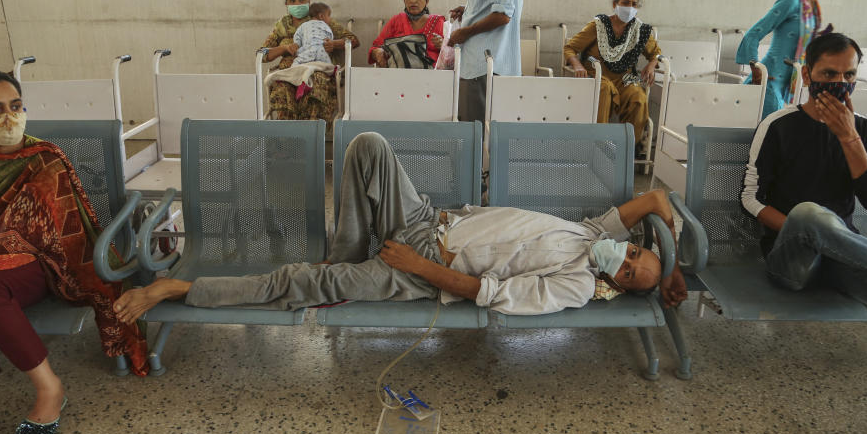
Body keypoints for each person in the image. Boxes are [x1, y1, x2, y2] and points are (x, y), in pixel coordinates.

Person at [113, 132, 688, 324]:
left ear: (619, 288)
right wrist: (673, 265)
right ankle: (343, 253)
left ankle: (183, 290)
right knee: (369, 147)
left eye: (634, 275)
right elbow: (653, 198)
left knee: (315, 286)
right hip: (426, 221)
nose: (630, 261)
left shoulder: (578, 284)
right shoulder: (593, 236)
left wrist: (420, 268)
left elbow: (495, 296)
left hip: (423, 275)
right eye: (638, 255)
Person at [740, 33, 867, 434]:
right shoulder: (778, 124)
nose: (838, 85)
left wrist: (848, 138)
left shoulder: (865, 129)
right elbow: (750, 198)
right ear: (806, 76)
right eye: (828, 76)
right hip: (791, 256)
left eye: (848, 77)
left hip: (846, 260)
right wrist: (807, 228)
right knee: (814, 215)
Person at [0, 71, 149, 434]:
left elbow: (51, 231)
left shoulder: (44, 158)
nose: (8, 118)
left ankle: (49, 389)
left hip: (40, 263)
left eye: (15, 107)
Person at [737, 0, 831, 119]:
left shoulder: (812, 8)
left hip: (787, 83)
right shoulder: (791, 1)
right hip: (769, 80)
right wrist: (756, 68)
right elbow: (754, 33)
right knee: (761, 134)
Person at [563, 0, 660, 143]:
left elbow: (655, 53)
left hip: (625, 78)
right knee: (604, 89)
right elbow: (570, 48)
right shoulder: (598, 25)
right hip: (598, 75)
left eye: (634, 4)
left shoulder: (640, 30)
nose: (630, 8)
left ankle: (627, 147)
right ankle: (598, 144)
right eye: (626, 3)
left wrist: (651, 64)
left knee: (638, 97)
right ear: (615, 4)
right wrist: (577, 66)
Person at [261, 0, 359, 137]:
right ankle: (286, 144)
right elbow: (264, 54)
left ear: (309, 1)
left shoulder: (319, 19)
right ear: (286, 5)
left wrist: (334, 44)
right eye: (292, 1)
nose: (297, 3)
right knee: (282, 89)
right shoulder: (282, 26)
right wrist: (285, 48)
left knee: (315, 89)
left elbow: (353, 40)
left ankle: (311, 142)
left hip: (318, 70)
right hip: (290, 73)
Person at [369, 0, 445, 69]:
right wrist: (379, 52)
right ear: (404, 0)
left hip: (430, 78)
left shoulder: (437, 22)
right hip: (397, 76)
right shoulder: (396, 20)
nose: (413, 0)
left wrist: (443, 46)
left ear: (426, 1)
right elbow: (375, 47)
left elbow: (452, 55)